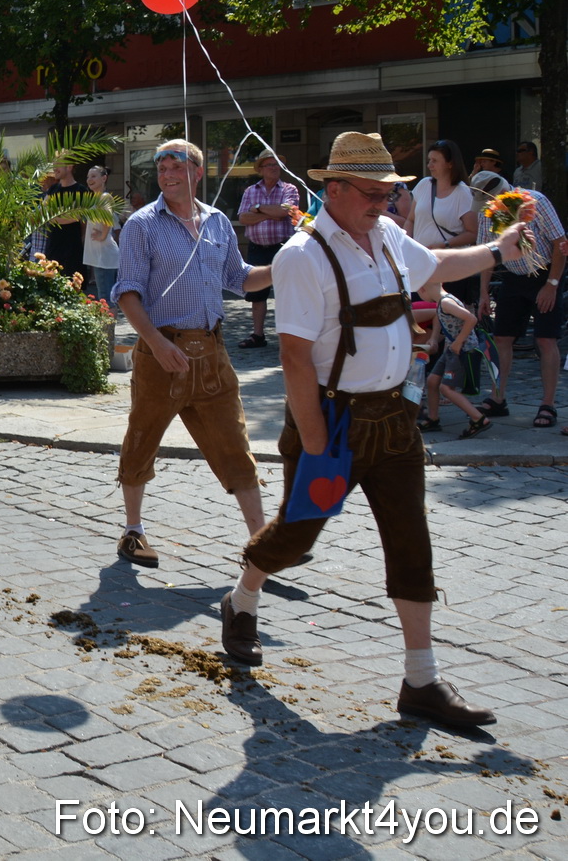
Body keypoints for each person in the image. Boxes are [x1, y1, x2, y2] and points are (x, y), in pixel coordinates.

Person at [221, 131, 532, 728]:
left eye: (389, 193)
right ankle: (242, 599)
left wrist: (498, 251)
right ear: (332, 189)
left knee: (411, 542)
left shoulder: (387, 235)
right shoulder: (301, 257)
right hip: (332, 425)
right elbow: (292, 358)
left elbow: (434, 265)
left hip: (394, 421)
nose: (383, 203)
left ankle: (421, 682)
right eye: (371, 193)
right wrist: (316, 448)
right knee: (296, 537)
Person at [109, 139, 274, 568]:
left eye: (175, 167)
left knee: (236, 446)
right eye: (161, 168)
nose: (166, 175)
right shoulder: (141, 225)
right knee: (142, 440)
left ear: (197, 173)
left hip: (212, 354)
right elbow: (127, 292)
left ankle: (261, 543)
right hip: (160, 353)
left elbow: (239, 278)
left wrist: (286, 264)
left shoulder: (218, 221)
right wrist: (157, 343)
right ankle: (133, 530)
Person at [471, 186, 565, 429]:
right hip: (514, 276)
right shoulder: (487, 211)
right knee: (502, 337)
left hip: (545, 274)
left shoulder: (537, 202)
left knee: (546, 339)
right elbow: (486, 253)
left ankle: (548, 403)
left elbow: (561, 243)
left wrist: (552, 285)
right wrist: (483, 292)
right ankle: (498, 397)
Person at [235, 152, 300, 349]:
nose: (274, 167)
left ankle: (290, 337)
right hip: (257, 248)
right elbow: (243, 218)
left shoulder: (290, 189)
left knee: (286, 294)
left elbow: (284, 212)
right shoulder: (250, 191)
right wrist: (269, 213)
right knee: (257, 295)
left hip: (283, 247)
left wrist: (258, 209)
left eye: (277, 164)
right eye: (270, 164)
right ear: (261, 169)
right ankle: (258, 335)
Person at [415, 282, 491, 437]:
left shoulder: (446, 302)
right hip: (451, 350)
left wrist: (458, 342)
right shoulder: (441, 302)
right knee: (432, 381)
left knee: (445, 389)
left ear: (423, 289)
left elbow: (471, 319)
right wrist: (435, 338)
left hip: (460, 351)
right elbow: (440, 317)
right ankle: (433, 418)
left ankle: (478, 418)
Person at [410, 139, 478, 306]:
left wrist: (444, 245)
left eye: (434, 161)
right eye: (429, 160)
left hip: (449, 266)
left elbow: (472, 233)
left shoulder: (463, 192)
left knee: (446, 319)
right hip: (421, 263)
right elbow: (410, 219)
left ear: (450, 164)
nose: (429, 165)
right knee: (420, 318)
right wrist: (407, 246)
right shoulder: (423, 185)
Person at [41, 159, 93, 280]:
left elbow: (75, 216)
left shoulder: (81, 191)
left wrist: (53, 216)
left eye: (58, 166)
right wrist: (57, 216)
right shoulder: (53, 189)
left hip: (72, 249)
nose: (54, 170)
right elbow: (43, 213)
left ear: (69, 166)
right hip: (53, 247)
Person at [82, 166, 121, 301]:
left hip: (104, 257)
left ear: (104, 178)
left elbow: (108, 218)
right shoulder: (97, 199)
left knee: (106, 298)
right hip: (100, 257)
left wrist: (103, 235)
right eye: (88, 177)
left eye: (93, 176)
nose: (89, 180)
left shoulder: (104, 197)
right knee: (105, 297)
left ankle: (109, 323)